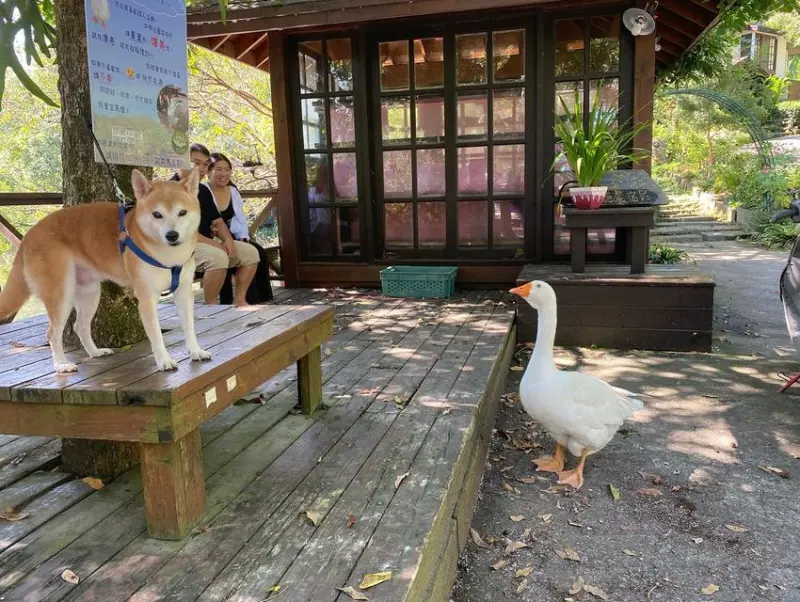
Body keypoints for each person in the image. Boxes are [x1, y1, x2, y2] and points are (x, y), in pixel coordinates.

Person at [172, 143, 258, 306]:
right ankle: (210, 305)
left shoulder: (202, 190)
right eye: (196, 163)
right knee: (217, 256)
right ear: (181, 162)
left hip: (205, 242)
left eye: (205, 164)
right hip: (180, 246)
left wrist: (228, 241)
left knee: (251, 253)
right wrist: (217, 245)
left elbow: (217, 221)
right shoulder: (170, 190)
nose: (202, 169)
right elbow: (186, 233)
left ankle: (239, 300)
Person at [206, 153, 273, 304]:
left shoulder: (232, 191)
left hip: (232, 234)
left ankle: (257, 300)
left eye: (227, 169)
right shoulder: (203, 191)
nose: (224, 173)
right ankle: (226, 301)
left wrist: (244, 237)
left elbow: (240, 218)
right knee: (225, 256)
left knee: (258, 252)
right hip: (210, 237)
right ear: (208, 172)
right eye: (218, 169)